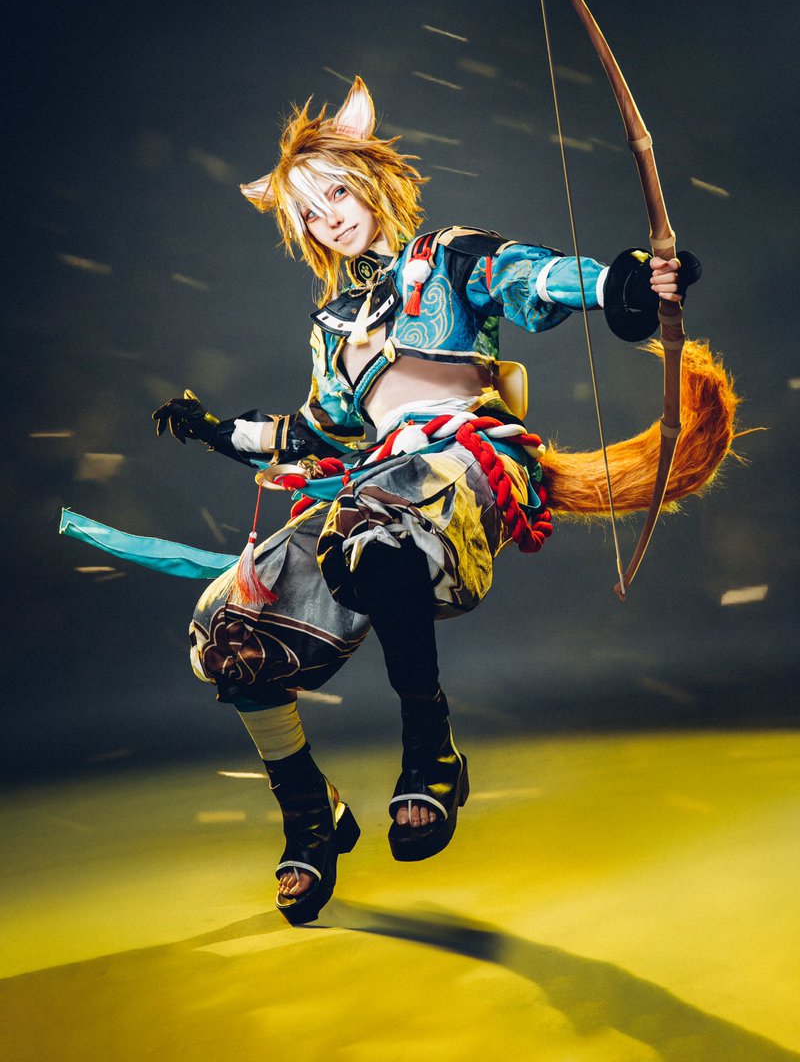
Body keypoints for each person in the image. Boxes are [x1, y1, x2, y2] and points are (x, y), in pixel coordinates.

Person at [152, 76, 727, 926]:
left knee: (374, 531)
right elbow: (317, 430)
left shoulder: (444, 258)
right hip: (373, 482)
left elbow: (533, 275)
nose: (328, 219)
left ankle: (431, 749)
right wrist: (215, 430)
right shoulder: (332, 326)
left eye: (336, 194)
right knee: (229, 627)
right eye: (308, 212)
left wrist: (624, 285)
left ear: (371, 182)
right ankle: (310, 812)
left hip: (467, 461)